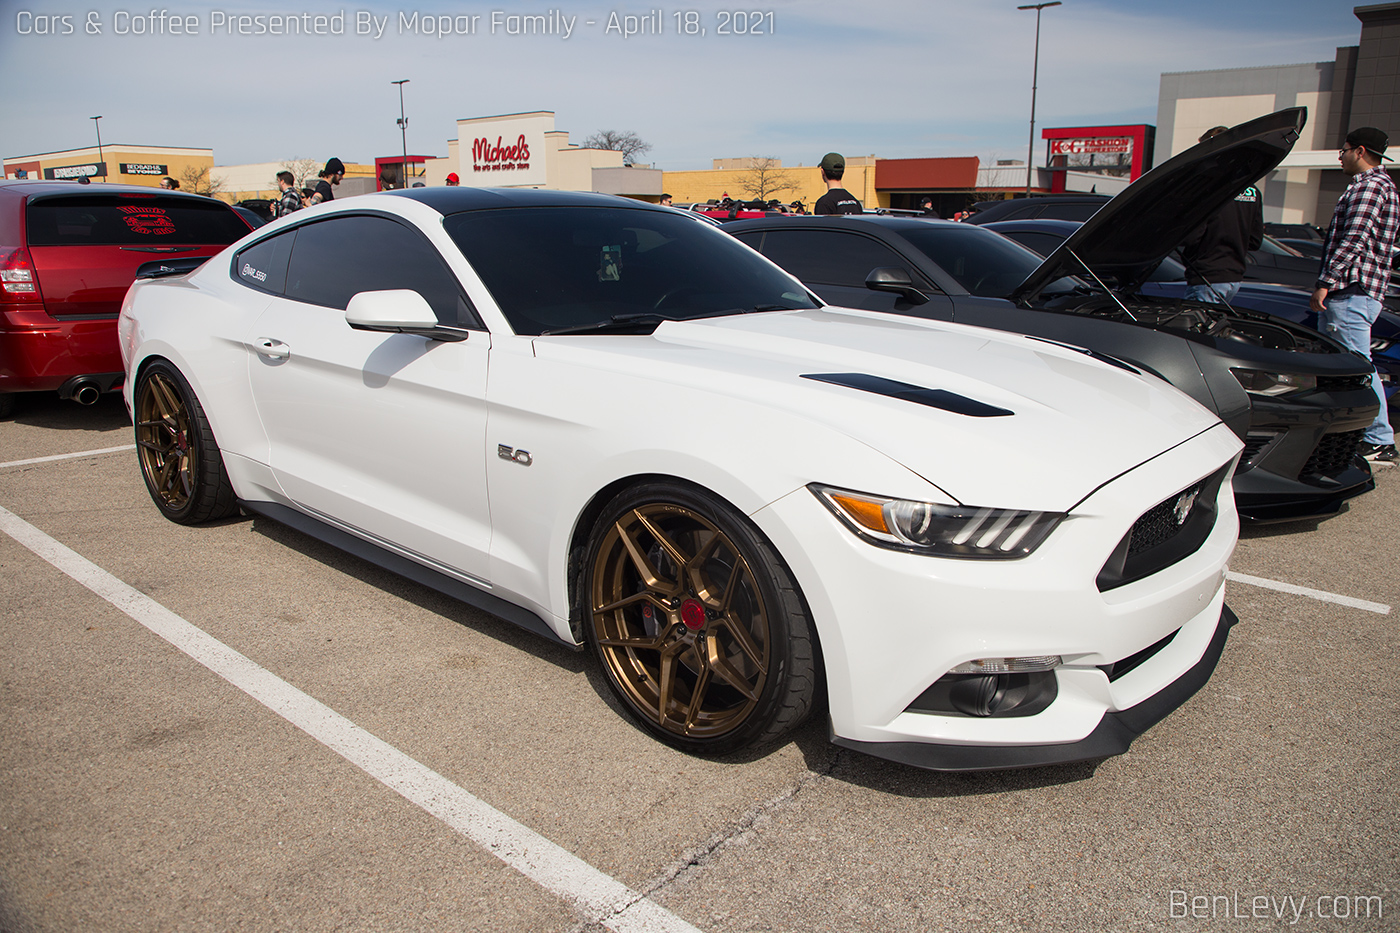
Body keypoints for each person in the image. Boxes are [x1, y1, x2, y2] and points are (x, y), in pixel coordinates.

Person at [1311, 126, 1398, 462]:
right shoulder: (1378, 186)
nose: (1340, 155)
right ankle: (1363, 434)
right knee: (1354, 366)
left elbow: (1354, 239)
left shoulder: (1370, 187)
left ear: (1359, 151)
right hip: (1358, 291)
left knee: (1357, 367)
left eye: (1344, 149)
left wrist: (1326, 281)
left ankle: (1378, 439)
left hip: (1352, 290)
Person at [1178, 126, 1263, 305]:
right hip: (1234, 277)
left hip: (1207, 276)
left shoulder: (1210, 187)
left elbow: (1192, 236)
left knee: (1195, 330)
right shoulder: (1252, 189)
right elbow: (1255, 240)